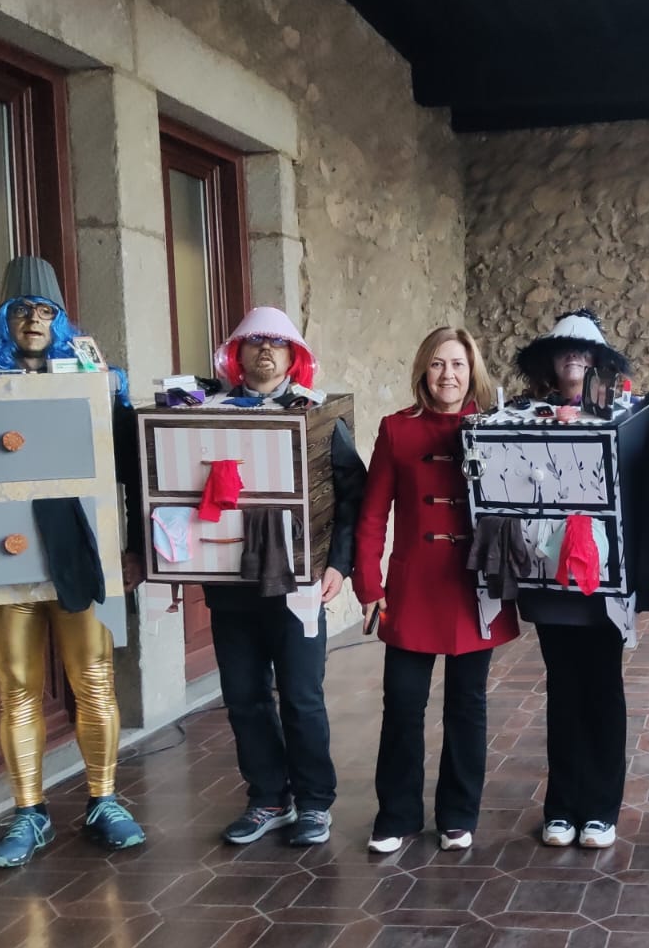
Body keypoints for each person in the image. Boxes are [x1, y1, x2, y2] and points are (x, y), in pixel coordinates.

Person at [0, 257, 147, 867]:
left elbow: (127, 458)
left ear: (60, 321)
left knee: (93, 677)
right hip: (3, 545)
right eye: (23, 311)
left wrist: (107, 389)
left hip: (76, 544)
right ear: (5, 320)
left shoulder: (94, 377)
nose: (34, 321)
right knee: (17, 688)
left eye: (45, 312)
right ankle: (28, 811)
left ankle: (104, 798)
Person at [355, 327, 519, 854]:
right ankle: (397, 815)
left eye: (458, 364)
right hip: (412, 584)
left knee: (466, 705)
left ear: (473, 371)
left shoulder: (492, 428)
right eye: (437, 365)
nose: (448, 374)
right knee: (402, 702)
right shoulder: (396, 430)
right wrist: (369, 584)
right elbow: (373, 512)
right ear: (423, 371)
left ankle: (457, 814)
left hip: (474, 585)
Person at [208, 306, 366, 849]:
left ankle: (315, 802)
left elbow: (352, 496)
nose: (266, 351)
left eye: (278, 343)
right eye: (254, 342)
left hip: (298, 585)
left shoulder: (321, 418)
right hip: (231, 584)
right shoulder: (209, 414)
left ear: (294, 355)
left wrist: (339, 564)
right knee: (244, 695)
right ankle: (268, 797)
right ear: (239, 352)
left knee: (301, 695)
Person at [513, 311, 639, 849]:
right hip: (547, 571)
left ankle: (601, 809)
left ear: (600, 363)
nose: (575, 359)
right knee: (563, 686)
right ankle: (562, 805)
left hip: (606, 575)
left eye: (585, 353)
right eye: (565, 350)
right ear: (549, 359)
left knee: (603, 686)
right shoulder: (520, 416)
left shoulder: (623, 416)